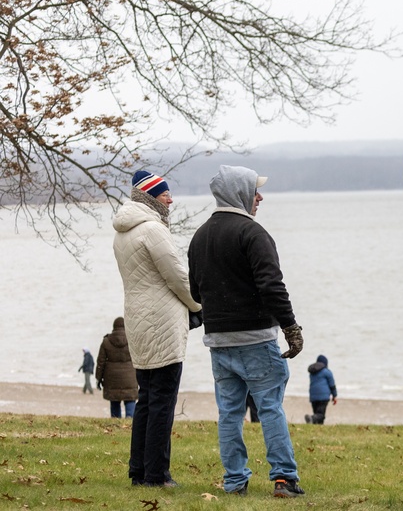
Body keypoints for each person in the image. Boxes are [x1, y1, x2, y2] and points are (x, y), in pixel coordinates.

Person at [187, 165, 306, 498]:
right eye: (255, 191)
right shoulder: (253, 234)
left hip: (218, 342)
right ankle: (284, 478)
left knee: (229, 413)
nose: (260, 197)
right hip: (256, 339)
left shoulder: (199, 237)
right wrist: (291, 328)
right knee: (270, 408)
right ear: (240, 193)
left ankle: (234, 480)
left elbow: (195, 293)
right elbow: (272, 286)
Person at [112, 170, 201, 487]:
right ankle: (157, 474)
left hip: (137, 319)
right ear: (151, 197)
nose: (171, 199)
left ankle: (139, 471)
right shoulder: (153, 230)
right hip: (162, 322)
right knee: (162, 400)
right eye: (166, 194)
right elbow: (178, 277)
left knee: (147, 399)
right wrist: (198, 306)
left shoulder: (123, 231)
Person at [95, 317, 139, 418]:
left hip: (112, 379)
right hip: (130, 378)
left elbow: (100, 362)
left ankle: (115, 421)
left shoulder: (106, 341)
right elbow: (139, 358)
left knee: (114, 401)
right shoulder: (132, 340)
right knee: (130, 400)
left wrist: (98, 378)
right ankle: (129, 420)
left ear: (114, 327)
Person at [305, 355, 338, 425]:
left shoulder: (312, 372)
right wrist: (334, 395)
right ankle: (312, 418)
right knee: (321, 415)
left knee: (317, 414)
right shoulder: (327, 372)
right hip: (323, 397)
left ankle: (316, 424)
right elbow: (332, 385)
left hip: (313, 397)